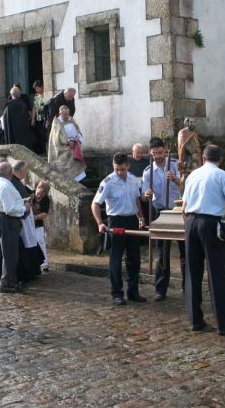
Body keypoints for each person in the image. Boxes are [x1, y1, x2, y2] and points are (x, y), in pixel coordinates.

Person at [182, 145, 225, 335]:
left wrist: (188, 226)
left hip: (191, 222)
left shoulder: (192, 176)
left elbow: (184, 207)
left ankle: (195, 320)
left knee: (192, 273)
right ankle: (223, 323)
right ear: (220, 159)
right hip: (210, 224)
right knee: (216, 274)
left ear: (203, 158)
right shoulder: (222, 176)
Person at [91, 152, 147, 306]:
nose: (120, 172)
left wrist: (141, 218)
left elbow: (137, 200)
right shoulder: (107, 182)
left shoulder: (134, 180)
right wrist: (99, 223)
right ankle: (117, 293)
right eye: (117, 169)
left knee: (134, 258)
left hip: (132, 220)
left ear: (128, 166)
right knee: (116, 259)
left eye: (122, 169)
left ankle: (133, 291)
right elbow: (95, 204)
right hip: (116, 221)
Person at [141, 137, 185, 301]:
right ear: (150, 153)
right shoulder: (148, 171)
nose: (158, 156)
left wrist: (174, 179)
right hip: (160, 211)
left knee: (184, 251)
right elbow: (144, 195)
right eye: (155, 153)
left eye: (160, 152)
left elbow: (187, 185)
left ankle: (187, 287)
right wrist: (146, 195)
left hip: (178, 210)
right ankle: (161, 289)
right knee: (162, 253)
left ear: (165, 150)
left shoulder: (176, 164)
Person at [0, 162, 29, 293]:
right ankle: (7, 283)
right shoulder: (5, 186)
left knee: (9, 252)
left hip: (2, 218)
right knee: (9, 254)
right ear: (9, 173)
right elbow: (10, 209)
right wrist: (25, 207)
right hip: (7, 220)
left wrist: (20, 202)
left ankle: (10, 281)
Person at [11, 161, 43, 282]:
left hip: (26, 215)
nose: (26, 173)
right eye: (25, 171)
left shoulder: (17, 182)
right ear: (20, 171)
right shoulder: (12, 183)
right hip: (22, 218)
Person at [48, 105, 86, 182]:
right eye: (64, 114)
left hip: (74, 145)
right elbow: (56, 137)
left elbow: (77, 130)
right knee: (70, 158)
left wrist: (78, 139)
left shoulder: (71, 119)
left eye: (67, 114)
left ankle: (79, 180)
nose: (66, 116)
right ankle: (69, 181)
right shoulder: (56, 123)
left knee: (77, 159)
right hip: (62, 148)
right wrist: (68, 142)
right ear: (60, 113)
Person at [1, 86, 34, 151]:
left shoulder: (9, 107)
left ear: (11, 95)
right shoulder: (23, 105)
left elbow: (6, 121)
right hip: (23, 135)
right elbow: (27, 118)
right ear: (19, 95)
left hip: (12, 135)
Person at [177, 118, 203, 191]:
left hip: (197, 158)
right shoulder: (182, 132)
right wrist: (192, 153)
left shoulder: (194, 133)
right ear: (186, 123)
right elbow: (183, 145)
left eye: (194, 122)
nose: (193, 124)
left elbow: (198, 144)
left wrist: (205, 144)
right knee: (188, 177)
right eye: (191, 122)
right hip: (188, 159)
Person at [32, 181, 51, 272]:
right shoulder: (30, 194)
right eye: (38, 193)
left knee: (40, 241)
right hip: (27, 223)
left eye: (42, 194)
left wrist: (35, 218)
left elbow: (45, 213)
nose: (39, 196)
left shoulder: (46, 199)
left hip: (38, 223)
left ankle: (45, 263)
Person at [30, 80, 48, 154]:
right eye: (35, 89)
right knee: (40, 135)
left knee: (46, 135)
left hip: (46, 119)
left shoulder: (47, 95)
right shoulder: (36, 96)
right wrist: (33, 119)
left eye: (37, 88)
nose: (36, 90)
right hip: (39, 119)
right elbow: (34, 108)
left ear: (42, 87)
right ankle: (42, 151)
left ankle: (47, 151)